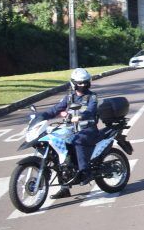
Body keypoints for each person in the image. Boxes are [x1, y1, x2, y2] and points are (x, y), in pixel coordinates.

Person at [41, 68, 100, 198]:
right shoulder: (68, 97)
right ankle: (64, 187)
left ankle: (85, 172)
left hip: (88, 130)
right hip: (71, 129)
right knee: (55, 148)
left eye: (85, 82)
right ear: (74, 83)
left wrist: (80, 116)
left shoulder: (92, 97)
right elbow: (56, 109)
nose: (83, 85)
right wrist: (41, 116)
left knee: (78, 141)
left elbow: (91, 110)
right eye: (80, 83)